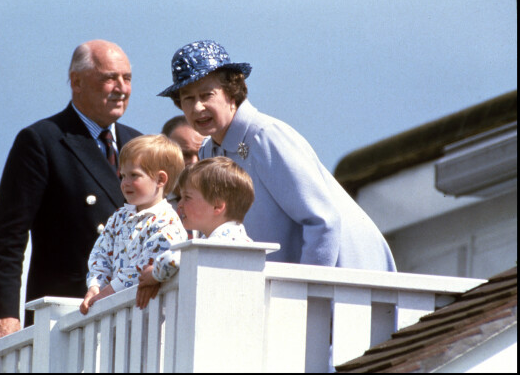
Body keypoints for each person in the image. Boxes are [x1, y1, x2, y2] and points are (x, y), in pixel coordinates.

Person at [157, 40, 397, 272]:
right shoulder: (207, 151)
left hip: (347, 280)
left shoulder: (265, 136)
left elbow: (322, 221)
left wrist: (305, 292)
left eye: (207, 95)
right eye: (188, 98)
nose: (197, 107)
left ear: (231, 94)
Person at [0, 40, 143, 344]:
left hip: (131, 315)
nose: (121, 88)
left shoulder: (139, 145)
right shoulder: (43, 141)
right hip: (65, 319)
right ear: (77, 82)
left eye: (127, 78)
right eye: (110, 78)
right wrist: (5, 316)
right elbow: (8, 239)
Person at [80, 134, 187, 315]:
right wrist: (95, 286)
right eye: (122, 176)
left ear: (161, 180)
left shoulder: (167, 221)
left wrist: (109, 292)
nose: (125, 183)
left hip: (149, 313)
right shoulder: (118, 217)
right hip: (115, 312)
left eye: (134, 175)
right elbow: (101, 253)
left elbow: (146, 267)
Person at [135, 156, 255, 309]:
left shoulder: (219, 243)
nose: (179, 204)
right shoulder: (234, 239)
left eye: (187, 197)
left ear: (217, 206)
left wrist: (154, 274)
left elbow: (173, 260)